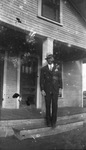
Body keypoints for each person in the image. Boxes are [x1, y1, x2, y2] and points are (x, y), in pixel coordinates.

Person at [40, 53, 62, 128]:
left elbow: (60, 79)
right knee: (48, 106)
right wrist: (42, 89)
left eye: (51, 58)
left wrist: (60, 89)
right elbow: (42, 80)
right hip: (47, 90)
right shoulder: (43, 69)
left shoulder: (57, 68)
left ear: (53, 59)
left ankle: (54, 123)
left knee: (55, 106)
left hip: (55, 90)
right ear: (47, 60)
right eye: (48, 59)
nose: (49, 60)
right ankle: (48, 122)